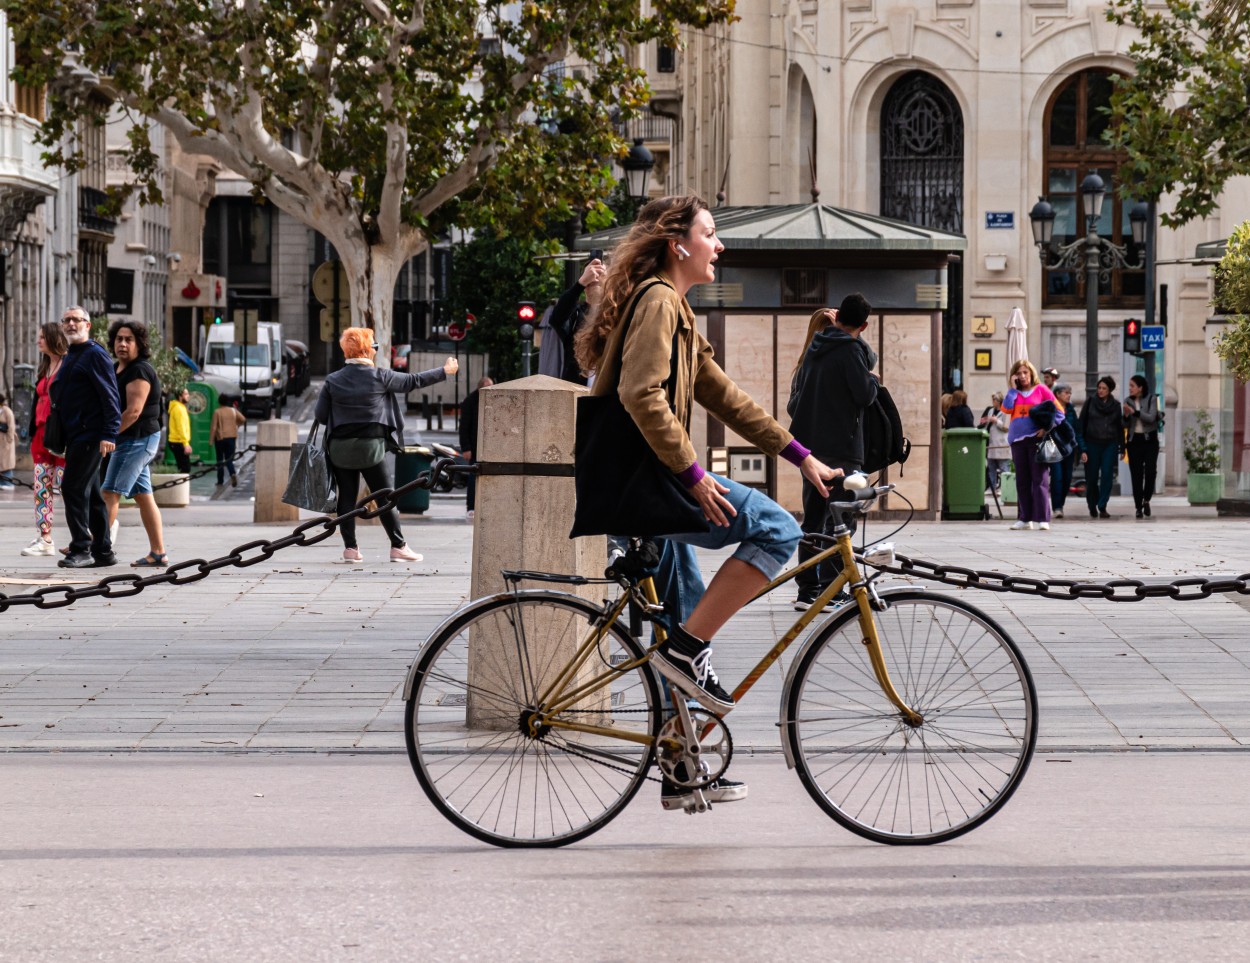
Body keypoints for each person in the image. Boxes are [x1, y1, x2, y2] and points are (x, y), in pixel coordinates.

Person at [574, 194, 839, 811]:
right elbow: (642, 394)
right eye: (711, 233)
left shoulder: (675, 310)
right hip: (648, 483)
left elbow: (727, 399)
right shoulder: (661, 302)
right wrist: (694, 475)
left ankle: (682, 769)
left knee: (686, 618)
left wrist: (799, 454)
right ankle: (685, 651)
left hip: (641, 481)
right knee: (775, 529)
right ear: (679, 243)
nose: (719, 245)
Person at [314, 327, 459, 562]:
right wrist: (445, 371)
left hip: (340, 449)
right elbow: (414, 381)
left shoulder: (333, 380)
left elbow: (321, 416)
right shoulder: (381, 376)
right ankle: (398, 546)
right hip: (371, 448)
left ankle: (350, 549)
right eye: (374, 346)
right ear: (367, 350)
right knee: (385, 496)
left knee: (346, 498)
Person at [787, 295, 877, 611]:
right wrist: (873, 382)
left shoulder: (814, 349)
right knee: (843, 519)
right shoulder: (852, 350)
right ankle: (832, 589)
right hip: (844, 448)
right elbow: (864, 394)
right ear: (863, 325)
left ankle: (807, 590)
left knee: (813, 519)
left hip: (811, 449)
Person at [54, 306, 121, 568]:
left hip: (91, 435)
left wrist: (109, 432)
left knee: (72, 487)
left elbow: (110, 396)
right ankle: (103, 552)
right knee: (92, 494)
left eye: (77, 320)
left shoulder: (95, 355)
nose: (71, 324)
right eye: (67, 320)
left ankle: (81, 548)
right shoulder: (72, 354)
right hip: (76, 436)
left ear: (88, 325)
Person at [99, 320, 168, 568]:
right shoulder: (117, 368)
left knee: (110, 492)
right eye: (119, 339)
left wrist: (109, 435)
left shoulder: (139, 370)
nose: (123, 344)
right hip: (131, 439)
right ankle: (158, 552)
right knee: (143, 496)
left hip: (137, 438)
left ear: (139, 344)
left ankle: (94, 548)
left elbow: (133, 412)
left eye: (129, 340)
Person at [21, 321, 69, 556]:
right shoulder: (44, 367)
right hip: (41, 436)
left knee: (68, 488)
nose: (38, 340)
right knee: (42, 488)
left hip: (63, 437)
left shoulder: (68, 365)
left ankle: (85, 535)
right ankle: (45, 538)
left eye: (42, 337)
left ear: (52, 338)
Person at [1001, 359, 1061, 531]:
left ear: (1031, 373)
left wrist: (1047, 428)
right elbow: (1006, 409)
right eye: (1019, 373)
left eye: (1025, 372)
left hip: (1036, 440)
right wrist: (1013, 389)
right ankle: (1025, 518)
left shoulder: (1041, 390)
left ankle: (1042, 518)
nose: (1022, 376)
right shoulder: (1014, 393)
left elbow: (1058, 412)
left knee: (1040, 479)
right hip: (1017, 441)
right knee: (1022, 480)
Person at [545, 257, 606, 385]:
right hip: (576, 393)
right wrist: (580, 284)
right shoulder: (575, 314)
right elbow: (556, 318)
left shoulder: (615, 315)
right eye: (591, 274)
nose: (595, 277)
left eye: (600, 274)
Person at [1078, 376, 1122, 519]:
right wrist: (1083, 448)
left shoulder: (1116, 405)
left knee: (1107, 476)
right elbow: (1081, 427)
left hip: (1109, 444)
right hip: (1092, 443)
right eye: (1099, 388)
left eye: (1104, 388)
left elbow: (1119, 427)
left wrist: (1122, 447)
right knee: (1091, 478)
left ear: (1109, 390)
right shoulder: (1090, 402)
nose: (1101, 391)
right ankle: (1092, 505)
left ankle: (1102, 505)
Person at [1124, 374, 1161, 518]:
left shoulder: (1151, 399)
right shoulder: (1127, 401)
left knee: (1151, 471)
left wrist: (1135, 412)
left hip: (1150, 440)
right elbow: (1125, 424)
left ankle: (1147, 499)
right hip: (1134, 442)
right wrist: (1126, 416)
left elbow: (1151, 417)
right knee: (1136, 475)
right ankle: (1138, 506)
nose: (1130, 388)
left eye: (1132, 386)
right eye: (1129, 386)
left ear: (1140, 387)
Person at [458, 375, 494, 521]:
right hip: (474, 446)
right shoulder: (470, 401)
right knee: (473, 477)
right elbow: (464, 426)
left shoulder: (493, 399)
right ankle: (471, 507)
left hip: (488, 446)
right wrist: (466, 447)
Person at [1049, 382, 1077, 518]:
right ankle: (1057, 507)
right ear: (1057, 395)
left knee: (1067, 478)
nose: (1068, 395)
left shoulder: (1071, 409)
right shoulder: (1051, 409)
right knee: (1057, 477)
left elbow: (1077, 429)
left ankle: (1061, 503)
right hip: (1054, 448)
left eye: (1069, 393)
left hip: (1069, 449)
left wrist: (1080, 448)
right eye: (1066, 393)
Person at [209, 396, 247, 488]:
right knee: (229, 458)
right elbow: (243, 419)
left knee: (220, 460)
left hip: (220, 438)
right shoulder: (233, 411)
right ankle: (232, 473)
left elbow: (214, 427)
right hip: (232, 437)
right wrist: (236, 425)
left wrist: (211, 440)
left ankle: (220, 480)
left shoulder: (217, 412)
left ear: (219, 402)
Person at [979, 392, 1011, 492]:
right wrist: (986, 421)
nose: (993, 402)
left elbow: (1007, 427)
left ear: (999, 401)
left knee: (1003, 467)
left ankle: (1006, 488)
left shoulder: (1006, 411)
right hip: (992, 443)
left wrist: (996, 421)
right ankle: (992, 487)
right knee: (991, 467)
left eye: (994, 400)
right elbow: (987, 423)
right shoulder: (991, 410)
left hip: (1002, 443)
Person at [167, 387, 193, 473]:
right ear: (180, 396)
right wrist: (185, 444)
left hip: (178, 441)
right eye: (186, 394)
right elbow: (180, 427)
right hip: (178, 441)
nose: (188, 396)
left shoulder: (181, 407)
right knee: (185, 468)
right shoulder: (178, 408)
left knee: (183, 468)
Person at [0, 392, 14, 490]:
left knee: (6, 463)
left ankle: (7, 483)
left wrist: (9, 440)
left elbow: (11, 426)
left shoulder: (6, 410)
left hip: (5, 440)